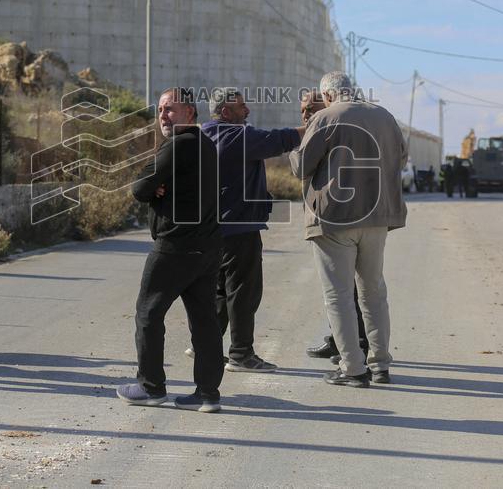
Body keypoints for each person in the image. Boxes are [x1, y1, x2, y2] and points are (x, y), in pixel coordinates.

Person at [290, 72, 407, 388]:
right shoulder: (385, 116)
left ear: (328, 96)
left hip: (335, 219)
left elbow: (301, 167)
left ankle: (353, 368)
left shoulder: (325, 118)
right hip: (377, 216)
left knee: (339, 295)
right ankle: (380, 365)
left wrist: (295, 148)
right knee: (373, 291)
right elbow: (401, 157)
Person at [117, 88, 225, 413]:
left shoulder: (179, 144)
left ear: (190, 112)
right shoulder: (205, 144)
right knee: (204, 320)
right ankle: (208, 393)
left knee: (148, 314)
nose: (163, 115)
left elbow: (140, 187)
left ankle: (151, 387)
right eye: (161, 110)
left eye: (170, 109)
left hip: (175, 247)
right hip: (207, 248)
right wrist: (160, 186)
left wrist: (155, 189)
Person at [196, 88, 303, 372]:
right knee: (244, 292)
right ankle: (241, 354)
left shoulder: (204, 134)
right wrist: (318, 125)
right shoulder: (236, 136)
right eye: (242, 106)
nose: (248, 110)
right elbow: (280, 139)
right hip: (238, 229)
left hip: (212, 228)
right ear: (226, 112)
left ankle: (203, 344)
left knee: (220, 291)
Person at [299, 90, 370, 366]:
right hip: (329, 218)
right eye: (303, 110)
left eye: (311, 107)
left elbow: (302, 167)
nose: (306, 114)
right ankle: (341, 341)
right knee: (341, 288)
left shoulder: (332, 129)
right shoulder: (319, 131)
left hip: (340, 221)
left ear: (328, 103)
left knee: (346, 289)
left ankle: (354, 346)